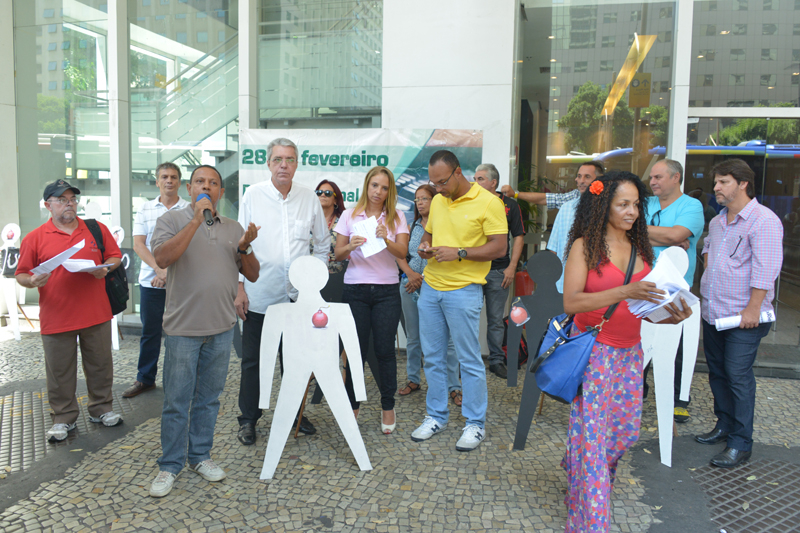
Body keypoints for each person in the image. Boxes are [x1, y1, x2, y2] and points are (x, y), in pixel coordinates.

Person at [561, 170, 692, 532]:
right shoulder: (584, 246)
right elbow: (571, 302)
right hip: (595, 353)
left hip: (630, 355)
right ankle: (590, 520)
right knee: (594, 439)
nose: (632, 211)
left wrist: (670, 316)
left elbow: (640, 309)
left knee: (622, 433)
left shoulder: (640, 247)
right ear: (603, 206)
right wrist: (625, 291)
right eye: (623, 204)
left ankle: (578, 470)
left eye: (636, 204)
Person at [148, 165, 260, 498]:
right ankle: (170, 465)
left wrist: (245, 247)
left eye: (213, 183)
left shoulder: (233, 227)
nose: (207, 187)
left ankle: (200, 456)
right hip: (183, 329)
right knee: (177, 401)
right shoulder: (171, 220)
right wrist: (196, 220)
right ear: (189, 188)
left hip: (222, 329)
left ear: (221, 192)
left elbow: (253, 274)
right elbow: (162, 258)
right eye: (200, 182)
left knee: (209, 400)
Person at [411, 150, 508, 452]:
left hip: (465, 290)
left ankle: (475, 423)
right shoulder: (440, 201)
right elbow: (428, 236)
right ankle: (436, 416)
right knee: (433, 357)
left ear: (457, 173)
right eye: (434, 183)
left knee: (469, 360)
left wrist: (460, 252)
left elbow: (499, 248)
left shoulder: (489, 202)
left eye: (442, 182)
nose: (438, 189)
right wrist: (425, 246)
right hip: (431, 288)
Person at [235, 138, 329, 446]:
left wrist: (312, 283)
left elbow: (323, 244)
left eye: (289, 159)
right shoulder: (253, 195)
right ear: (268, 164)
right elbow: (239, 246)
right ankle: (248, 420)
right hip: (260, 295)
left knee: (296, 363)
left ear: (297, 164)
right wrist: (239, 287)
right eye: (278, 159)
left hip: (298, 299)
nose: (283, 165)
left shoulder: (308, 198)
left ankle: (295, 416)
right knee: (254, 362)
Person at [16, 179, 124, 443]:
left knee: (100, 365)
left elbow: (115, 256)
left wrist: (105, 268)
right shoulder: (35, 238)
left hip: (96, 313)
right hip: (57, 316)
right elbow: (21, 274)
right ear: (48, 205)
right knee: (60, 371)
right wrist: (32, 280)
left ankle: (102, 409)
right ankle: (63, 417)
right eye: (62, 200)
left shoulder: (96, 229)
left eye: (73, 199)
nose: (69, 204)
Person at [695, 158, 783, 469]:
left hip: (744, 317)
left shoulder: (764, 221)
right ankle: (724, 425)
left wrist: (753, 309)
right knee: (718, 372)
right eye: (716, 182)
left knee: (737, 376)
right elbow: (708, 248)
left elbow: (766, 270)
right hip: (714, 312)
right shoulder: (719, 221)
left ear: (743, 183)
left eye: (723, 182)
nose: (716, 187)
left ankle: (741, 443)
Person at [334, 166, 409, 434]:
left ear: (390, 191)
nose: (378, 191)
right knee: (355, 351)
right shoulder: (349, 214)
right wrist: (350, 246)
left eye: (384, 187)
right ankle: (353, 404)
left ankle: (387, 405)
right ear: (367, 186)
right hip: (355, 289)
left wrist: (385, 238)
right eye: (374, 185)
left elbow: (403, 252)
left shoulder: (397, 216)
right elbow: (338, 254)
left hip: (387, 290)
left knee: (385, 351)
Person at [644, 159, 704, 423]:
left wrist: (640, 232)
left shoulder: (691, 206)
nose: (652, 182)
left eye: (658, 177)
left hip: (675, 286)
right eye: (651, 178)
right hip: (643, 284)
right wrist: (667, 236)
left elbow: (676, 235)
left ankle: (679, 399)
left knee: (675, 342)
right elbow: (624, 230)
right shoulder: (645, 204)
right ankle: (638, 390)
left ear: (676, 177)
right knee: (641, 339)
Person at [123, 163, 189, 398]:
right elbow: (138, 244)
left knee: (181, 333)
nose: (169, 180)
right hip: (150, 281)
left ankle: (180, 380)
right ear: (157, 181)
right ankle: (145, 378)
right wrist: (159, 269)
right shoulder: (145, 209)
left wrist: (168, 272)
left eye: (173, 177)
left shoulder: (189, 209)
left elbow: (190, 245)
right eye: (164, 177)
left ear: (179, 182)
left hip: (182, 281)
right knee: (150, 332)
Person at [395, 185, 461, 405]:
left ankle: (454, 386)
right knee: (413, 338)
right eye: (417, 199)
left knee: (448, 340)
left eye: (425, 198)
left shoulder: (446, 225)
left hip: (438, 285)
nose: (420, 202)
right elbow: (400, 254)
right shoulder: (411, 226)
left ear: (437, 200)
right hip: (410, 285)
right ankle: (413, 379)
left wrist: (423, 278)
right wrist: (410, 274)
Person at [474, 163, 525, 380]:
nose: (475, 182)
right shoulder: (470, 203)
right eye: (475, 178)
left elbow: (519, 236)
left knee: (495, 320)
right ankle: (468, 361)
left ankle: (496, 360)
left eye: (480, 179)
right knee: (468, 317)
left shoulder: (509, 205)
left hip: (498, 271)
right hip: (472, 269)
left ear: (493, 182)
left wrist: (512, 267)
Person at [545, 161, 604, 293]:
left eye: (587, 177)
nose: (581, 181)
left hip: (597, 286)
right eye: (579, 176)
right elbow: (553, 250)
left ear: (599, 181)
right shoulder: (566, 208)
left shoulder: (607, 210)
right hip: (564, 285)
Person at [313, 179, 347, 274]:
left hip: (336, 275)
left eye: (328, 193)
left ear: (335, 200)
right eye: (319, 193)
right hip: (309, 274)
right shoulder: (308, 220)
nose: (323, 195)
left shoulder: (343, 222)